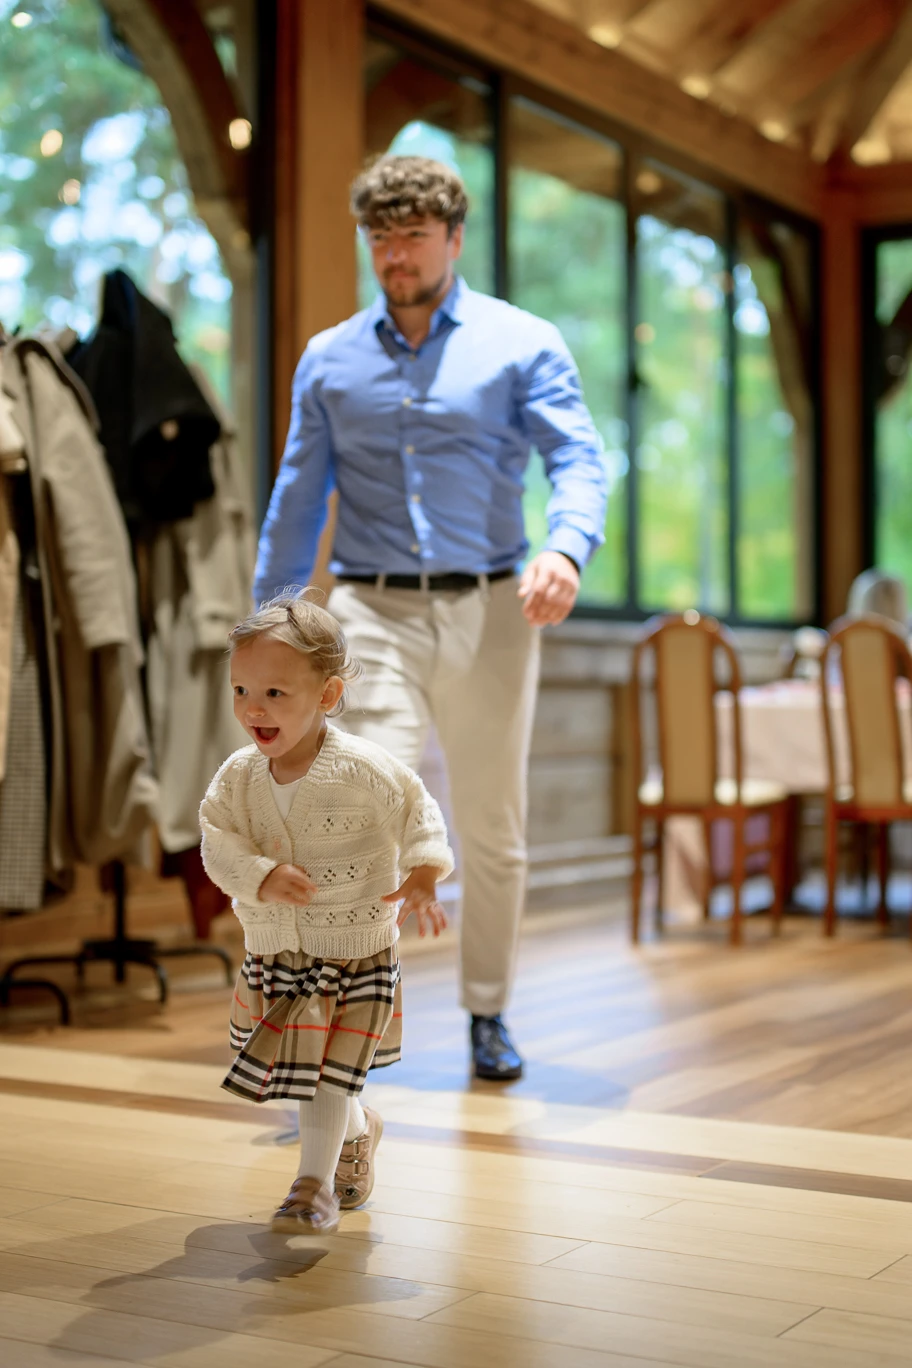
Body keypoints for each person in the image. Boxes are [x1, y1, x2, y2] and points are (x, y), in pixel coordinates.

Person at [254, 154, 607, 1082]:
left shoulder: (522, 343)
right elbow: (299, 493)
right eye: (380, 237)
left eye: (413, 236)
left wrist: (566, 548)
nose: (395, 255)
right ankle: (340, 1018)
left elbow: (578, 458)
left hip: (492, 607)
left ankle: (488, 1010)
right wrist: (270, 621)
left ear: (454, 238)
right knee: (356, 814)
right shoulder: (331, 359)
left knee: (490, 824)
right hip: (371, 609)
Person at [199, 592, 453, 1234]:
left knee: (321, 1078)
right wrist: (259, 875)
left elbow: (417, 808)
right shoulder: (237, 778)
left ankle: (311, 1187)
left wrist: (424, 872)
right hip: (276, 953)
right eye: (240, 690)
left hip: (353, 952)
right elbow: (216, 840)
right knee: (311, 1073)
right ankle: (358, 1130)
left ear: (328, 694)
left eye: (275, 693)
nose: (253, 708)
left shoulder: (363, 770)